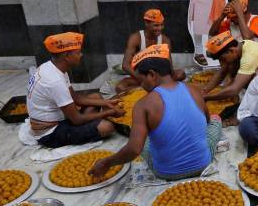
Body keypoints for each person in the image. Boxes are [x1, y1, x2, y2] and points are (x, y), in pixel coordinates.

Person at [89, 44, 222, 180]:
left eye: (141, 80)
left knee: (145, 140)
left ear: (152, 74)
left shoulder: (143, 105)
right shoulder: (194, 90)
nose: (141, 85)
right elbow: (206, 122)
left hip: (167, 172)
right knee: (216, 121)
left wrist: (107, 162)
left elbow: (134, 149)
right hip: (202, 164)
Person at [25, 32, 123, 148]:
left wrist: (106, 102)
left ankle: (92, 121)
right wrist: (109, 112)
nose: (81, 55)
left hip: (62, 117)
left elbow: (76, 98)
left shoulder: (53, 67)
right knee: (107, 127)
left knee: (96, 97)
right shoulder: (55, 81)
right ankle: (91, 124)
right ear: (66, 56)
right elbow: (76, 119)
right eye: (78, 53)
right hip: (50, 131)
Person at [115, 9, 185, 93]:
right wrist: (140, 78)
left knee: (181, 74)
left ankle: (145, 90)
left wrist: (166, 76)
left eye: (161, 25)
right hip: (141, 77)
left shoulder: (165, 40)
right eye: (156, 25)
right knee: (120, 87)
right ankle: (152, 90)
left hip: (159, 77)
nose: (160, 28)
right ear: (146, 23)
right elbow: (125, 65)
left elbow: (169, 65)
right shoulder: (136, 38)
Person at [202, 31, 258, 100]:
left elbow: (234, 90)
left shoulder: (249, 57)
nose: (222, 63)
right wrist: (204, 91)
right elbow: (223, 70)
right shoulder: (241, 46)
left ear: (231, 51)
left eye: (223, 59)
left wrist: (206, 98)